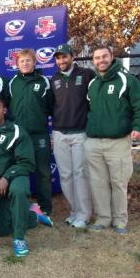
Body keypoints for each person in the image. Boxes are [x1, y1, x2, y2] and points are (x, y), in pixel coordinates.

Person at [84, 46, 140, 234]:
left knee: (118, 182)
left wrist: (139, 127)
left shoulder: (126, 79)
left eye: (104, 56)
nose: (101, 60)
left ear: (112, 57)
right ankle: (103, 219)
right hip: (94, 142)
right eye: (97, 58)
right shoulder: (93, 83)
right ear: (93, 61)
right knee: (98, 182)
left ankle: (120, 220)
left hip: (118, 141)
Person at [0, 97, 37, 257]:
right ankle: (31, 213)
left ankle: (19, 239)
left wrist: (6, 177)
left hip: (14, 178)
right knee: (0, 230)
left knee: (18, 190)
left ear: (4, 110)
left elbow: (27, 163)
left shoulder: (17, 131)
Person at [50, 44, 94, 228]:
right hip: (60, 133)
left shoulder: (86, 75)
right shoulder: (54, 79)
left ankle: (84, 215)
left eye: (65, 57)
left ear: (73, 57)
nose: (61, 61)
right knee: (66, 175)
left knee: (80, 174)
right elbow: (51, 106)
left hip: (80, 133)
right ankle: (74, 211)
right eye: (58, 58)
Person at [7, 48, 54, 219]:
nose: (25, 63)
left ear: (34, 62)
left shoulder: (44, 82)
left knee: (43, 172)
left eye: (28, 60)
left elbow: (50, 106)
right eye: (21, 61)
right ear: (17, 64)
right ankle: (23, 205)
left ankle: (45, 207)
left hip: (39, 134)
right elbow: (6, 107)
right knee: (20, 171)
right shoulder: (12, 83)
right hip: (19, 137)